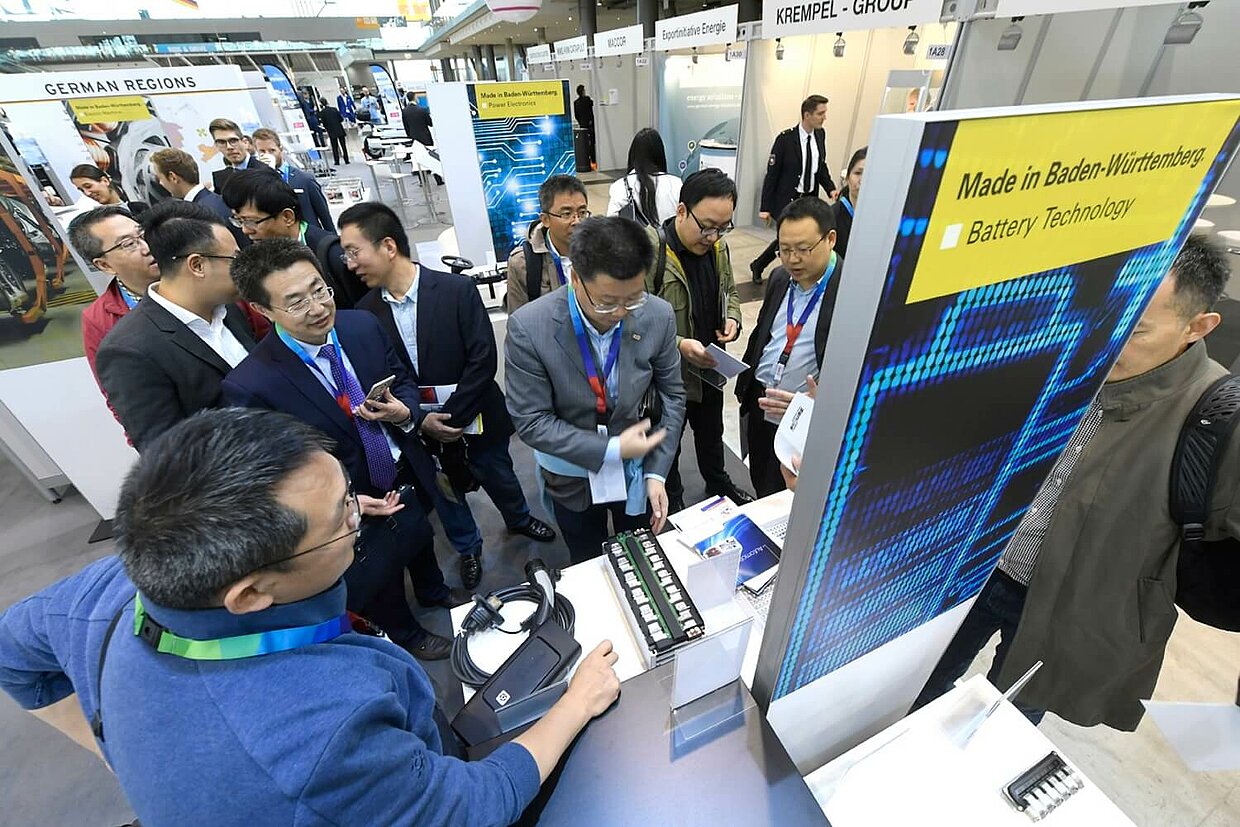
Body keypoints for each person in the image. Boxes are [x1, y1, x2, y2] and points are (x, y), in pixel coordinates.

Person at [0, 408, 622, 825]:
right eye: (344, 520)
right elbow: (474, 806)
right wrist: (576, 702)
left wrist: (118, 748)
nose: (360, 517)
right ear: (250, 593)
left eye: (347, 494)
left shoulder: (108, 590)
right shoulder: (321, 734)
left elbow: (15, 653)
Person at [913, 235, 1240, 732]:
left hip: (1066, 612)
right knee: (917, 696)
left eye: (1136, 330)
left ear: (1198, 327)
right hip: (980, 571)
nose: (1109, 339)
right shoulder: (1063, 352)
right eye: (1108, 314)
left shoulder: (1215, 420)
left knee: (1002, 733)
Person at [222, 240, 467, 659]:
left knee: (420, 535)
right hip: (351, 503)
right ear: (263, 311)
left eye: (320, 290)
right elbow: (278, 473)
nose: (318, 308)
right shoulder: (251, 385)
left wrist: (401, 410)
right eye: (296, 302)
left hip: (403, 466)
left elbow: (403, 378)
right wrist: (346, 500)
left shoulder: (361, 326)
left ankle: (434, 590)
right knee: (378, 574)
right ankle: (406, 634)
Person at [343, 203, 556, 589]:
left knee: (498, 472)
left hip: (474, 413)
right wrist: (422, 420)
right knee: (445, 493)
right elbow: (385, 376)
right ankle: (468, 547)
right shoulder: (365, 314)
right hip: (415, 425)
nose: (349, 262)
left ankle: (520, 518)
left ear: (388, 246)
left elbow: (482, 359)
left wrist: (452, 419)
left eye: (354, 250)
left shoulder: (456, 289)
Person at [505, 216, 686, 563]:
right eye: (606, 302)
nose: (620, 313)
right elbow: (531, 420)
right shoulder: (530, 327)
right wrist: (613, 448)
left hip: (637, 471)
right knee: (587, 556)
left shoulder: (657, 315)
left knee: (638, 554)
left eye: (632, 299)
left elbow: (673, 396)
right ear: (576, 279)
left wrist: (656, 471)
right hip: (572, 474)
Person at [94, 201, 267, 452]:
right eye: (235, 259)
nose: (244, 268)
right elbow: (166, 452)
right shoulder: (129, 352)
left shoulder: (228, 308)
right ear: (197, 265)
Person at [645, 169, 749, 512]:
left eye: (723, 227)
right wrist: (678, 345)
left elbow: (730, 291)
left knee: (711, 432)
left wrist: (733, 317)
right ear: (681, 211)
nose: (713, 236)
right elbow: (635, 321)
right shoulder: (651, 251)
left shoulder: (719, 247)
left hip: (710, 366)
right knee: (667, 443)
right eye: (706, 225)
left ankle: (718, 482)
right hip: (668, 377)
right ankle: (671, 501)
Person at [736, 197, 842, 498]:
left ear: (830, 239)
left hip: (804, 417)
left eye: (803, 249)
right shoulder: (781, 278)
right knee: (762, 479)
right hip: (762, 402)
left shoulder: (850, 288)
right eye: (784, 249)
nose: (792, 259)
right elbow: (765, 334)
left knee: (792, 494)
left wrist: (819, 401)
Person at [219, 170, 363, 308]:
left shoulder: (334, 254)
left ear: (287, 217)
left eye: (251, 221)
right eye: (239, 221)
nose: (245, 230)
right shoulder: (260, 259)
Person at [749, 94, 835, 284]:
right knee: (786, 238)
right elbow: (771, 175)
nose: (824, 117)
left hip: (808, 198)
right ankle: (761, 265)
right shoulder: (785, 139)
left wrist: (830, 189)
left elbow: (820, 166)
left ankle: (764, 265)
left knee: (799, 238)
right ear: (807, 115)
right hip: (788, 198)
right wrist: (765, 207)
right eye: (820, 113)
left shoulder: (820, 135)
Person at [69, 206, 160, 378]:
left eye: (143, 234)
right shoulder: (99, 320)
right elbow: (119, 393)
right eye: (129, 244)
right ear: (105, 265)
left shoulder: (193, 271)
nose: (147, 247)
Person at [504, 175, 589, 313]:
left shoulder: (601, 252)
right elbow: (518, 325)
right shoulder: (523, 263)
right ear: (545, 219)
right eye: (566, 214)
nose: (577, 221)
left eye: (582, 212)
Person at [148, 147, 247, 248]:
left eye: (159, 178)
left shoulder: (199, 214)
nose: (160, 183)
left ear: (173, 177)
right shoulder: (216, 199)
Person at [250, 127, 335, 233]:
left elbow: (324, 216)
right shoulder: (256, 182)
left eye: (272, 150)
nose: (268, 155)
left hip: (308, 238)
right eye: (262, 152)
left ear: (280, 149)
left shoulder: (304, 179)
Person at [606, 128, 682, 226]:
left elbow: (610, 226)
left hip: (633, 240)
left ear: (633, 154)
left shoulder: (620, 187)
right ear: (660, 154)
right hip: (667, 241)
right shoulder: (676, 184)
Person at [209, 118, 264, 193]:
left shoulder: (264, 172)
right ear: (216, 146)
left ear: (245, 142)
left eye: (233, 141)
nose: (229, 147)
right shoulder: (220, 179)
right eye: (221, 142)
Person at [69, 164, 147, 216]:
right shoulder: (99, 220)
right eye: (81, 190)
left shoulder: (139, 208)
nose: (87, 193)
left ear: (105, 181)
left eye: (88, 186)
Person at [833, 147, 865, 259]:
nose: (862, 180)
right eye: (858, 173)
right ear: (847, 178)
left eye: (869, 173)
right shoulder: (831, 216)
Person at [319, 97, 350, 166]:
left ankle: (337, 161)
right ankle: (346, 159)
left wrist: (327, 128)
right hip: (339, 129)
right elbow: (340, 119)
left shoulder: (322, 112)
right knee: (343, 145)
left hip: (331, 131)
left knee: (334, 146)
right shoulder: (334, 109)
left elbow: (324, 123)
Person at [573, 84, 596, 170]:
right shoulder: (587, 100)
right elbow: (593, 106)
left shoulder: (576, 103)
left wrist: (581, 122)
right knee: (592, 143)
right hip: (590, 124)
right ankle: (593, 161)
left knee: (584, 145)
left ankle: (586, 161)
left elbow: (576, 115)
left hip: (583, 125)